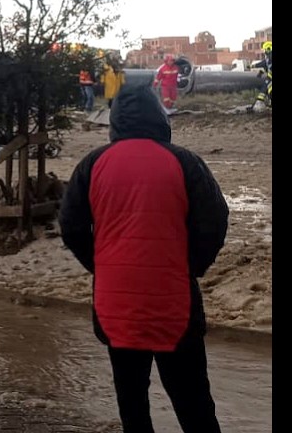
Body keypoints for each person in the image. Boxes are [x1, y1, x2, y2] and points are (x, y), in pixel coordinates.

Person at [59, 85, 229, 433]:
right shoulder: (185, 162)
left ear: (115, 120)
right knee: (194, 405)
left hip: (115, 305)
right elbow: (214, 221)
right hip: (174, 302)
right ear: (159, 117)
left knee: (132, 405)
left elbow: (71, 225)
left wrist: (101, 265)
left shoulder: (92, 164)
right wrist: (191, 266)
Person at [250, 40, 272, 111]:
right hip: (269, 78)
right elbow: (266, 66)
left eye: (265, 50)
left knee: (268, 89)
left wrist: (252, 66)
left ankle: (260, 104)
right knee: (265, 89)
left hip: (270, 78)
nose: (264, 52)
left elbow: (263, 64)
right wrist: (261, 72)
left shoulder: (269, 58)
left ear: (268, 49)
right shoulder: (268, 59)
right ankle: (259, 103)